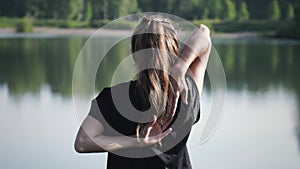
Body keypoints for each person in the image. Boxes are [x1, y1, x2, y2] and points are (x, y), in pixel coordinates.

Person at [74, 15, 211, 169]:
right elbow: (204, 33)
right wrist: (182, 65)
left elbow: (82, 142)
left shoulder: (114, 98)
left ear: (134, 54)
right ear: (174, 50)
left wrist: (136, 142)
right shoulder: (186, 94)